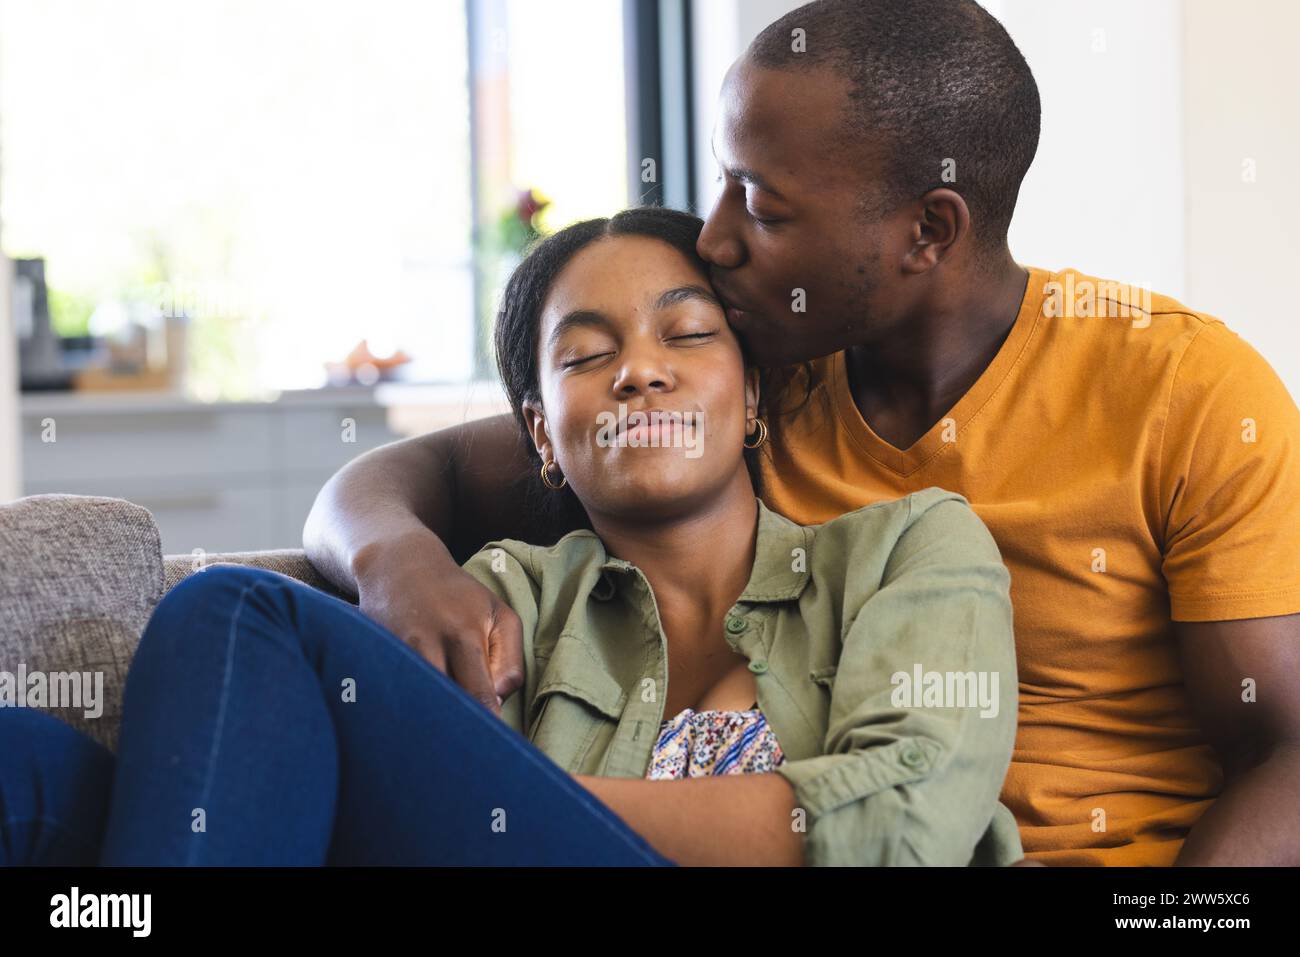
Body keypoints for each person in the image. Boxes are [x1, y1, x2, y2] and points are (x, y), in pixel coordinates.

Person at [302, 0, 1300, 866]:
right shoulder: (760, 375)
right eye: (724, 181)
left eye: (763, 206)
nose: (715, 237)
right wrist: (396, 560)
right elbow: (419, 471)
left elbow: (1285, 747)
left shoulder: (1182, 388)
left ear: (928, 231)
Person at [0, 207, 1020, 866]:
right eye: (585, 356)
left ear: (751, 393)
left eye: (688, 332)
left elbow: (903, 821)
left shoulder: (910, 550)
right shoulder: (506, 599)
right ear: (540, 434)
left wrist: (501, 802)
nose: (638, 370)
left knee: (232, 613)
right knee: (29, 768)